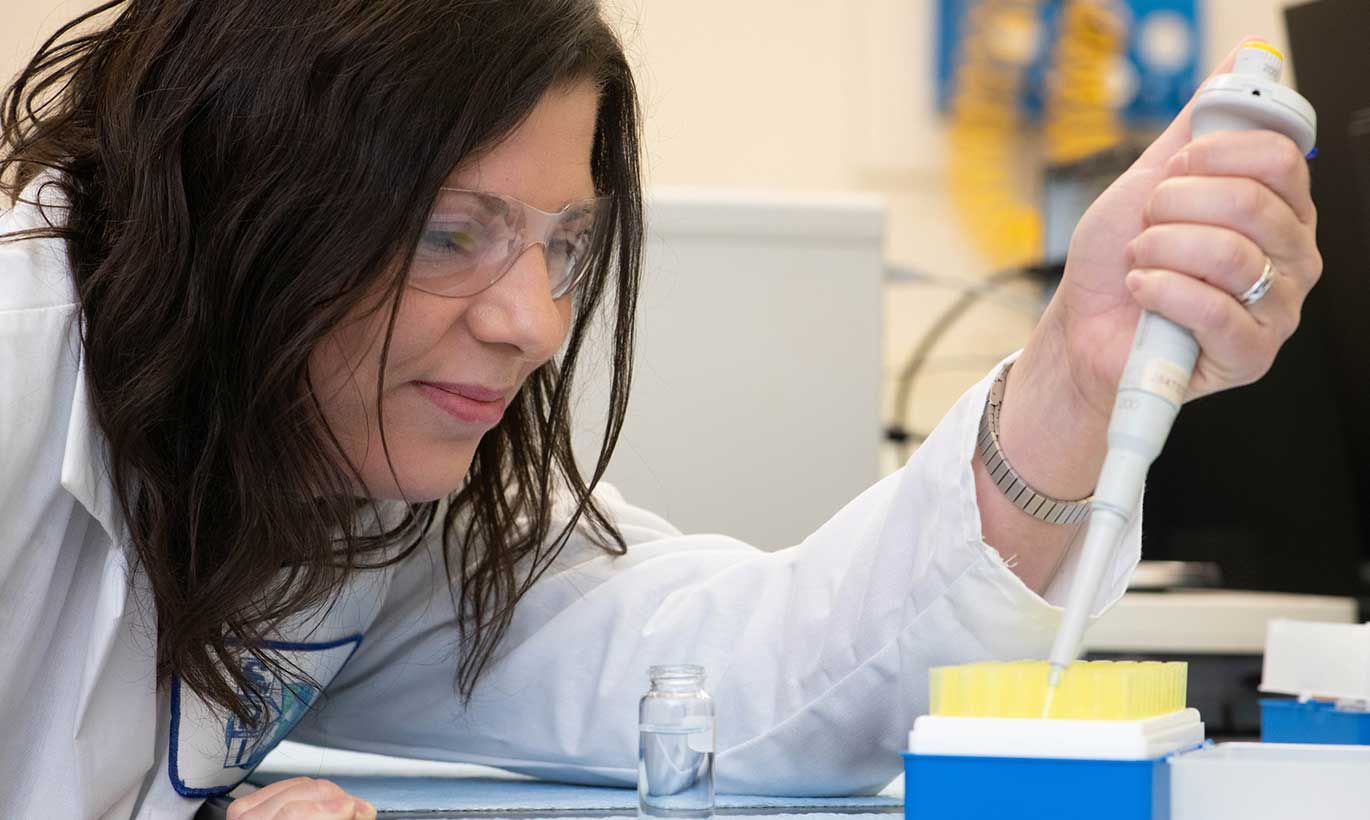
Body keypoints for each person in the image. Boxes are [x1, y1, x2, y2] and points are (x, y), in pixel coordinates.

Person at [0, 1, 1320, 818]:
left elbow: (741, 685)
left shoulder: (366, 510)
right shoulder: (19, 363)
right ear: (244, 205)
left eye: (562, 247)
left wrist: (1074, 376)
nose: (534, 322)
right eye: (454, 233)